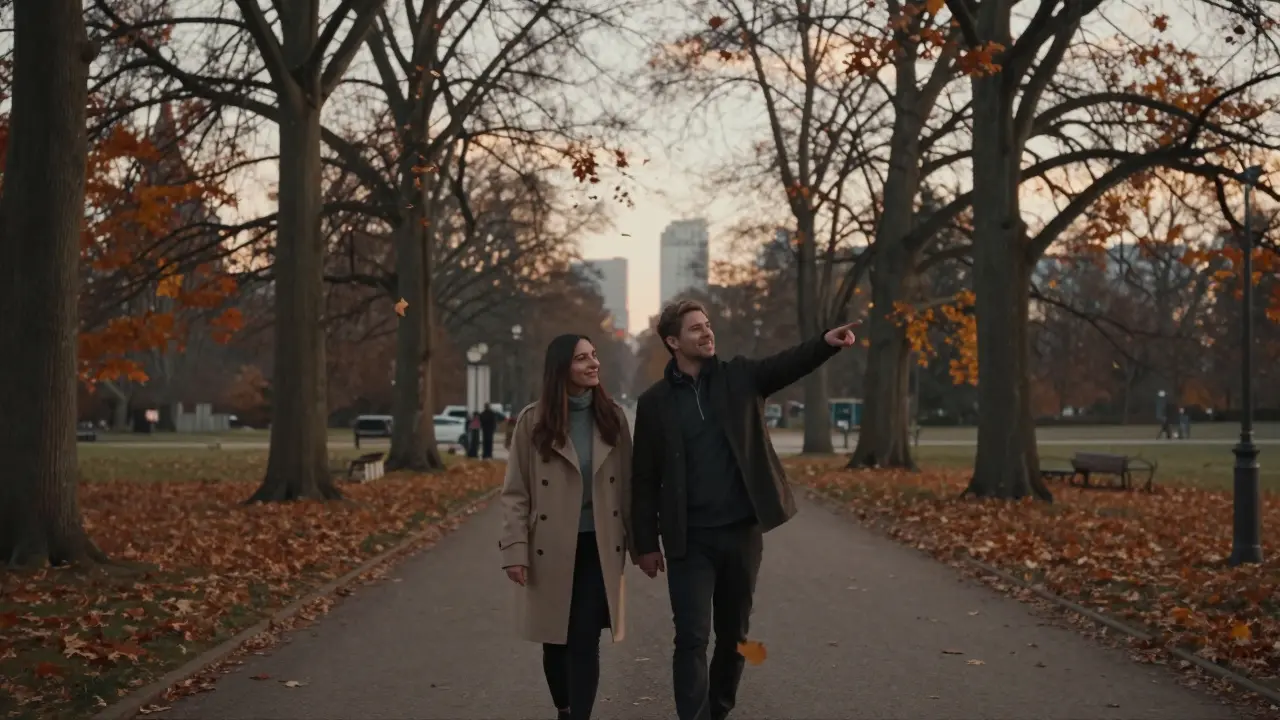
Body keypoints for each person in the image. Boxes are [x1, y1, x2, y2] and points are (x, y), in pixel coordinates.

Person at [630, 299, 857, 720]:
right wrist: (644, 542)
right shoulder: (655, 403)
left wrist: (825, 344)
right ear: (673, 341)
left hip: (740, 533)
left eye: (708, 325)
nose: (706, 332)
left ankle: (718, 710)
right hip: (689, 540)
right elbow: (643, 478)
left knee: (735, 635)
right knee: (691, 638)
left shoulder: (740, 378)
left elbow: (786, 364)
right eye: (695, 328)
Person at [499, 334, 634, 720]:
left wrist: (642, 545)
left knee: (584, 638)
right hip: (551, 546)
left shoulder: (613, 418)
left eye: (594, 356)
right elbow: (515, 492)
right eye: (581, 358)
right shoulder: (532, 422)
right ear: (562, 368)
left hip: (599, 545)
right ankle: (564, 707)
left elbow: (628, 488)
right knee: (555, 641)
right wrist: (514, 551)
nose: (593, 364)